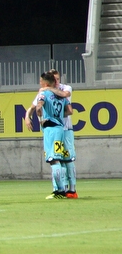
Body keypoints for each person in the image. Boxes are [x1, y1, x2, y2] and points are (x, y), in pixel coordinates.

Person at [27, 71, 73, 199]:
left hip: (50, 130)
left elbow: (38, 107)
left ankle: (59, 191)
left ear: (45, 83)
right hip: (60, 129)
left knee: (53, 160)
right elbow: (69, 111)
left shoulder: (43, 93)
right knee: (59, 158)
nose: (40, 83)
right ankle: (62, 189)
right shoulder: (61, 96)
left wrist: (41, 117)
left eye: (41, 81)